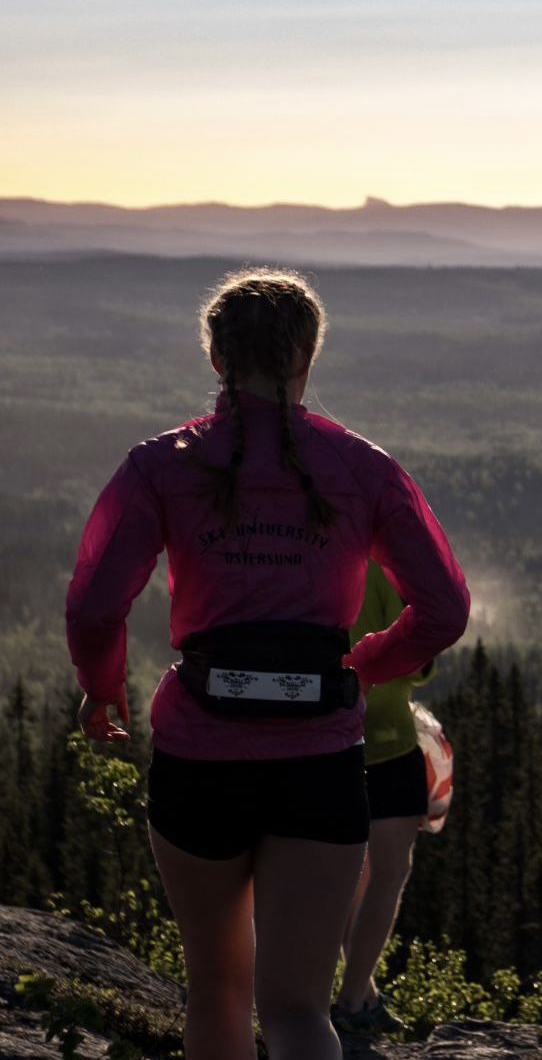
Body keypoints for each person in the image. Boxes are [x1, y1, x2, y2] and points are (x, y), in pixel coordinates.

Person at [67, 268, 468, 1060]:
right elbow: (444, 608)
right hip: (318, 754)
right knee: (296, 1009)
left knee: (217, 989)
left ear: (216, 360)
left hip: (198, 750)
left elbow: (92, 606)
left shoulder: (162, 464)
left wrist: (101, 688)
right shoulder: (362, 467)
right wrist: (364, 662)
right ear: (307, 360)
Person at [334, 560, 438, 1035]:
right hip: (387, 738)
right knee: (390, 871)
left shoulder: (315, 549)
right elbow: (414, 658)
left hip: (323, 734)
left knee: (350, 872)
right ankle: (354, 1003)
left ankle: (365, 991)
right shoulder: (386, 566)